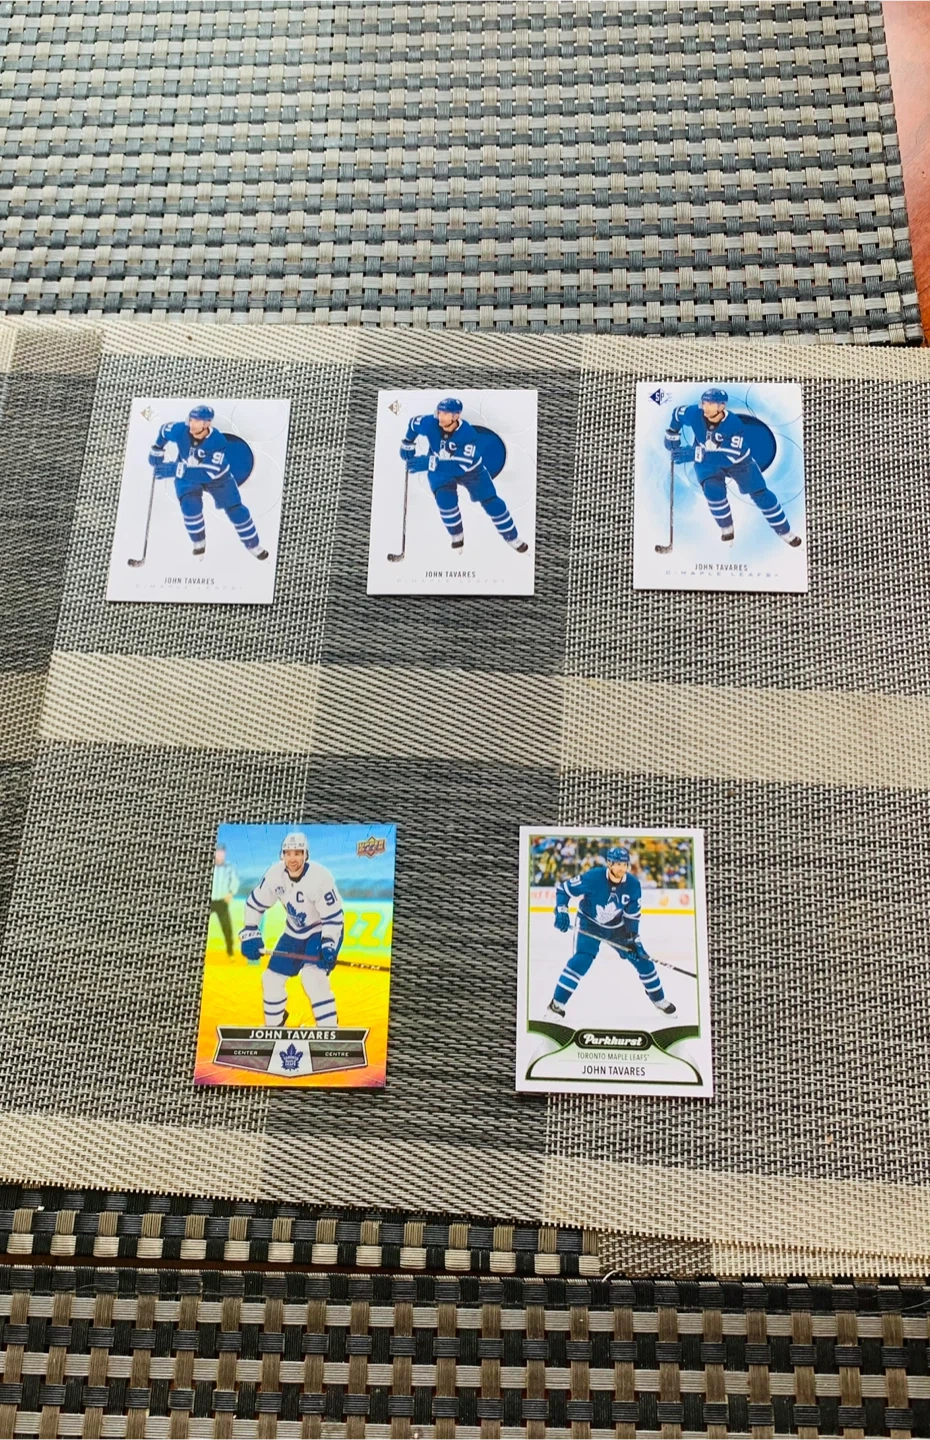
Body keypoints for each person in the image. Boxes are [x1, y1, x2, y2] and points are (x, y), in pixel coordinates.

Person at [547, 846, 676, 1018]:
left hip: (617, 928)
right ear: (609, 863)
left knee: (643, 960)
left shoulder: (633, 885)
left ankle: (659, 1000)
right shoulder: (593, 877)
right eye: (617, 864)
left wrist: (632, 939)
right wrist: (562, 909)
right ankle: (556, 1004)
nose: (621, 868)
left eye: (624, 864)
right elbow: (564, 889)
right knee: (582, 960)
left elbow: (632, 916)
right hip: (589, 923)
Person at [664, 389, 802, 547]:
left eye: (711, 404)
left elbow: (728, 458)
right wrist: (672, 432)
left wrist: (696, 453)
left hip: (739, 462)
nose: (705, 407)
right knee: (713, 491)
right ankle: (726, 527)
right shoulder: (695, 413)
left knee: (761, 494)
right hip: (706, 460)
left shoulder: (734, 424)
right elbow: (677, 414)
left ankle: (785, 531)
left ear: (722, 406)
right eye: (704, 402)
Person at [239, 831, 344, 1028]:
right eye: (288, 853)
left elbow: (333, 917)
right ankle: (274, 1026)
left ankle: (329, 1027)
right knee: (271, 979)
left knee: (312, 978)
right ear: (282, 855)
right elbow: (255, 904)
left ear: (306, 855)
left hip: (321, 930)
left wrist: (329, 943)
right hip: (294, 933)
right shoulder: (274, 875)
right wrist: (250, 932)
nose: (292, 858)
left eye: (297, 853)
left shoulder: (320, 877)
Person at [399, 397, 529, 552]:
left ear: (456, 416)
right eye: (439, 412)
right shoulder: (430, 423)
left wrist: (429, 463)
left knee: (492, 503)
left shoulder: (467, 434)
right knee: (445, 500)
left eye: (446, 414)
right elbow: (413, 424)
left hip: (471, 471)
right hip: (440, 470)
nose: (441, 417)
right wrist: (407, 443)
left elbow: (459, 467)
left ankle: (512, 537)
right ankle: (457, 536)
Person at [148, 404, 268, 559]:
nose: (192, 424)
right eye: (191, 420)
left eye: (197, 421)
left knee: (236, 510)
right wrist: (157, 448)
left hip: (217, 478)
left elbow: (207, 474)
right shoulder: (180, 430)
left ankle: (253, 545)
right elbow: (164, 431)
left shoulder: (217, 441)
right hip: (186, 475)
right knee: (190, 506)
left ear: (207, 423)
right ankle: (198, 543)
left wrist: (176, 469)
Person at [210, 845, 239, 957]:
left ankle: (230, 952)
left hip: (222, 902)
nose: (220, 855)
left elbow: (235, 882)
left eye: (222, 852)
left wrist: (231, 893)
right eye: (218, 852)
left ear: (225, 854)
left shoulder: (229, 867)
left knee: (227, 927)